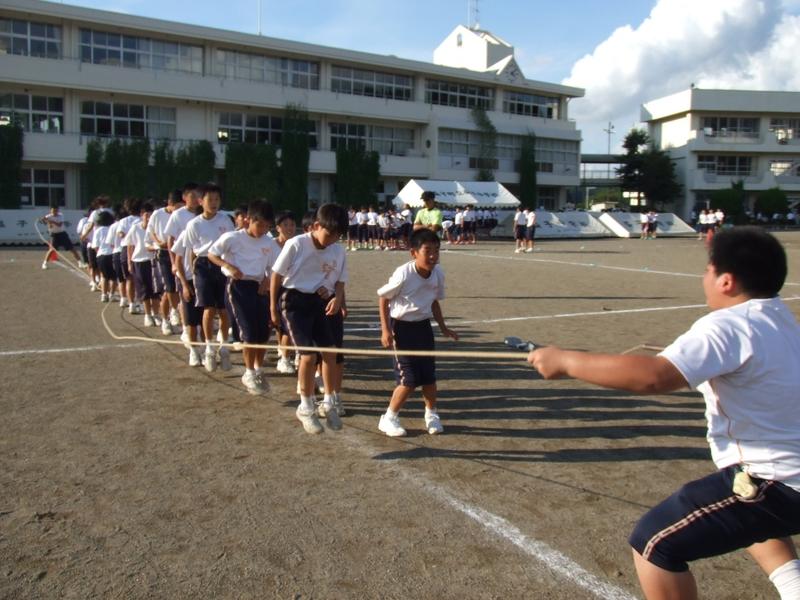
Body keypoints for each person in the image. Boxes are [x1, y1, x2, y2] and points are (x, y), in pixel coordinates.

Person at [527, 227, 800, 600]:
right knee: (745, 514)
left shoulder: (728, 324)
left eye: (707, 269)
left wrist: (565, 361)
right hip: (789, 479)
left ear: (726, 280)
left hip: (775, 481)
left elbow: (655, 378)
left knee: (654, 544)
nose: (703, 277)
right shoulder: (780, 320)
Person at [270, 203, 349, 434]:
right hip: (293, 301)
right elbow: (276, 275)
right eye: (328, 233)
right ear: (316, 226)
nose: (332, 239)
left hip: (319, 302)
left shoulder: (338, 250)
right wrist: (273, 309)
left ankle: (328, 401)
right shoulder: (297, 244)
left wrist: (337, 298)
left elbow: (341, 279)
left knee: (330, 351)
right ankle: (305, 406)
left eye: (337, 235)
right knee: (307, 355)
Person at [376, 228, 459, 437]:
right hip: (401, 329)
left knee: (429, 378)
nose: (433, 256)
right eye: (427, 251)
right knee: (408, 380)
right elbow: (384, 299)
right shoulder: (404, 273)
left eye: (437, 251)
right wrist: (385, 330)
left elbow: (434, 303)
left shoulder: (438, 274)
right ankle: (389, 418)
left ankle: (431, 415)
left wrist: (443, 327)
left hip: (423, 328)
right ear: (414, 253)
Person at [208, 200, 280, 395]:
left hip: (259, 288)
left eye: (267, 226)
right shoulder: (233, 238)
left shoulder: (269, 243)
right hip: (238, 287)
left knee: (262, 332)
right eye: (260, 225)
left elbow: (276, 267)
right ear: (249, 220)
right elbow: (212, 254)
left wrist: (267, 281)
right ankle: (248, 372)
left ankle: (258, 369)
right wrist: (228, 266)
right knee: (248, 331)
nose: (263, 229)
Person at [183, 183, 235, 373]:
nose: (213, 203)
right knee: (208, 308)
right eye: (209, 199)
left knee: (223, 309)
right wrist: (190, 275)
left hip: (222, 264)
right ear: (200, 201)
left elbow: (231, 245)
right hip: (203, 265)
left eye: (217, 199)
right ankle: (209, 347)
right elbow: (189, 251)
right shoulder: (194, 224)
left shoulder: (226, 221)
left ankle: (224, 347)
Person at [147, 190, 183, 336]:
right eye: (178, 206)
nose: (180, 209)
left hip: (178, 252)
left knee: (177, 288)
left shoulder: (182, 215)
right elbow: (151, 231)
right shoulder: (158, 214)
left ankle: (173, 314)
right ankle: (168, 318)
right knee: (169, 287)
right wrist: (158, 243)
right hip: (162, 253)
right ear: (170, 204)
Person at [124, 202, 160, 326]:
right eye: (146, 215)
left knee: (155, 289)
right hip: (139, 261)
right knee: (144, 289)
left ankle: (156, 314)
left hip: (154, 261)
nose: (149, 217)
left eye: (151, 215)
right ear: (141, 215)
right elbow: (130, 246)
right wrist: (129, 263)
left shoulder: (155, 229)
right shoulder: (135, 227)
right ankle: (148, 315)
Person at [39, 204, 81, 269]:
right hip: (54, 235)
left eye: (55, 211)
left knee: (71, 248)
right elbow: (45, 223)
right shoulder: (48, 216)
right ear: (51, 211)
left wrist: (51, 221)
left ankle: (80, 262)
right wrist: (43, 220)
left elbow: (59, 225)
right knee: (52, 250)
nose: (54, 212)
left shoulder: (60, 215)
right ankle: (44, 263)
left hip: (62, 234)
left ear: (58, 210)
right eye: (53, 211)